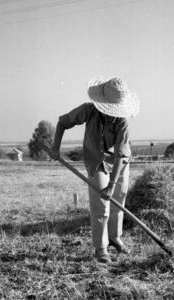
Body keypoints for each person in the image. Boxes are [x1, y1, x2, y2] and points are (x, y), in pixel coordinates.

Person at [49, 77, 139, 263]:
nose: (113, 114)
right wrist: (55, 148)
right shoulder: (88, 110)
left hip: (119, 162)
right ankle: (101, 248)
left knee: (118, 199)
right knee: (100, 206)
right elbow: (62, 122)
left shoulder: (123, 122)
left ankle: (115, 237)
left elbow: (121, 155)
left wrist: (112, 186)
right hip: (96, 159)